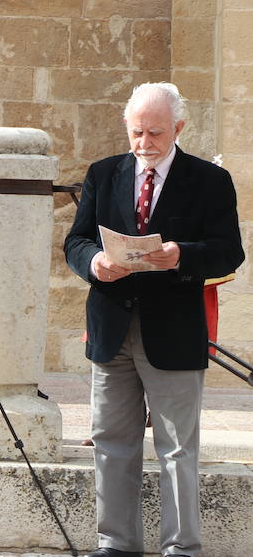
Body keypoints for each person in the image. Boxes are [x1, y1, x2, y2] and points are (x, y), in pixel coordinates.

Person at [64, 82, 244, 557]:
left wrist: (181, 254)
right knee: (110, 440)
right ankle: (116, 545)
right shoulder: (103, 174)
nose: (144, 144)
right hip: (111, 329)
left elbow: (230, 252)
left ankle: (181, 548)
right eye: (137, 132)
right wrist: (94, 263)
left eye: (155, 133)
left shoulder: (208, 180)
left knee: (177, 448)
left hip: (174, 332)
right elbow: (76, 241)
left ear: (179, 128)